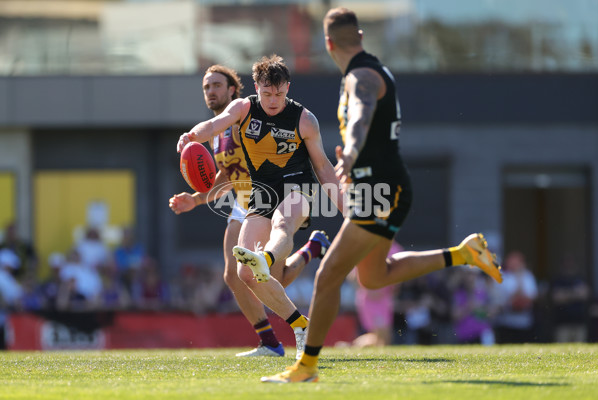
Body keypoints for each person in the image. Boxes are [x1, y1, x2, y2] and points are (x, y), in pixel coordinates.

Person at [262, 7, 503, 383]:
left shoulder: (360, 76)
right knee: (374, 277)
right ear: (359, 36)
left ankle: (306, 367)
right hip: (381, 188)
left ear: (328, 44)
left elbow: (360, 116)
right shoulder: (372, 70)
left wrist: (353, 153)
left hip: (381, 191)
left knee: (328, 276)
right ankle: (464, 252)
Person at [173, 63, 335, 358]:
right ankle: (299, 326)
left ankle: (268, 259)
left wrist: (345, 203)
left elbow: (323, 166)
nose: (273, 101)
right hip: (257, 194)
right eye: (267, 94)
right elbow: (214, 136)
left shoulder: (303, 119)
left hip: (294, 186)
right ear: (257, 89)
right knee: (245, 275)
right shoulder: (238, 113)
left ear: (288, 88)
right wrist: (191, 137)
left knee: (281, 231)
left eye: (279, 93)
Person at [492, 250, 538, 344]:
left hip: (524, 322)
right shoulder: (502, 276)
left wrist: (519, 279)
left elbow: (532, 297)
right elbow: (501, 300)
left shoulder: (528, 276)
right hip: (507, 322)